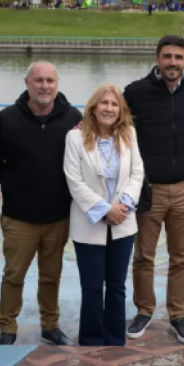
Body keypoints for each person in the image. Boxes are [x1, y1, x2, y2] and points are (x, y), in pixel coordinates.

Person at [0, 61, 83, 346]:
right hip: (19, 218)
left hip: (58, 217)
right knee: (14, 275)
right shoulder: (7, 118)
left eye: (50, 81)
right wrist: (15, 183)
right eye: (39, 80)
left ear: (57, 84)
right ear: (27, 82)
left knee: (51, 276)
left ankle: (50, 325)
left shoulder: (72, 119)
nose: (44, 86)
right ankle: (7, 327)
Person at [123, 35, 184, 345]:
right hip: (149, 188)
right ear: (157, 58)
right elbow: (112, 121)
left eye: (179, 57)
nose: (173, 62)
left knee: (181, 257)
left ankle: (178, 315)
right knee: (144, 256)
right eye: (167, 56)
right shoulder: (135, 92)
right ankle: (144, 311)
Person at [64, 84, 144, 346]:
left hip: (123, 221)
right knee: (92, 286)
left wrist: (122, 206)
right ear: (93, 107)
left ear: (121, 110)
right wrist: (104, 209)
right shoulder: (74, 139)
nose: (109, 108)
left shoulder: (129, 134)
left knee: (117, 285)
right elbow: (74, 181)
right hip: (89, 224)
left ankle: (114, 337)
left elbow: (137, 173)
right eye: (104, 103)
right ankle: (91, 338)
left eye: (114, 104)